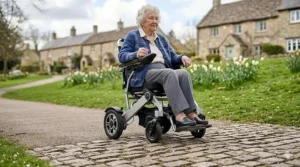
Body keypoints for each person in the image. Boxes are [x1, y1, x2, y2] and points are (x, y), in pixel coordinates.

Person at [118, 4, 208, 127]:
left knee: (183, 73)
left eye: (156, 18)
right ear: (142, 20)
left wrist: (182, 57)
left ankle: (191, 115)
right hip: (143, 73)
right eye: (151, 18)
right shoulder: (132, 36)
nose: (155, 21)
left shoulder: (161, 39)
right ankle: (179, 117)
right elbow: (122, 56)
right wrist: (135, 54)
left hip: (164, 71)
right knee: (169, 73)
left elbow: (171, 56)